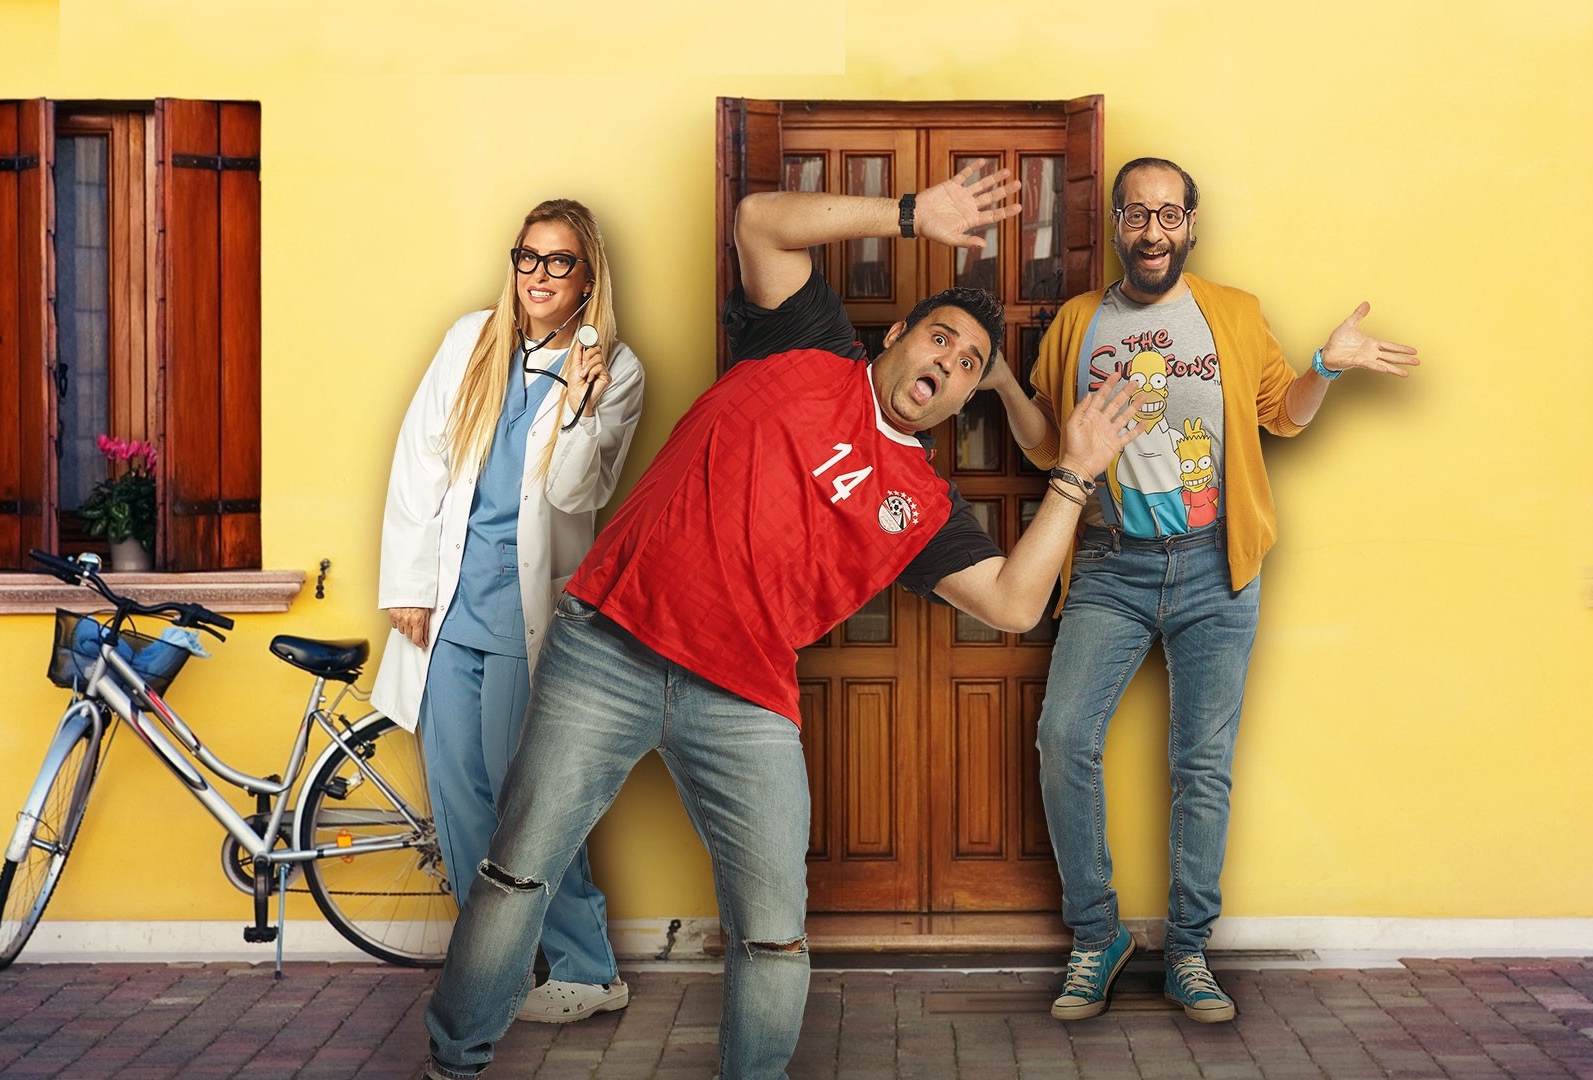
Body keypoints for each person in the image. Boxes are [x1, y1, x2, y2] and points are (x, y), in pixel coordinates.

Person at [421, 163, 1143, 1080]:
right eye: (940, 338)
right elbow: (760, 220)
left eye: (969, 366)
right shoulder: (808, 343)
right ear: (896, 337)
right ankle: (453, 1063)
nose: (950, 363)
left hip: (745, 701)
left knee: (774, 938)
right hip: (609, 643)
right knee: (518, 871)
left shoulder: (922, 506)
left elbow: (1014, 601)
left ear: (964, 401)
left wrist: (1074, 476)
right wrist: (912, 212)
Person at [987, 157, 1418, 1024]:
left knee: (1202, 766)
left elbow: (1283, 415)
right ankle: (1097, 936)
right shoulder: (1078, 322)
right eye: (1136, 214)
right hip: (1108, 565)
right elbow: (1044, 445)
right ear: (1116, 225)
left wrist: (1325, 367)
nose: (1153, 230)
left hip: (1216, 570)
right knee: (1063, 739)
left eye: (1169, 214)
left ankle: (1188, 950)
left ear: (1191, 226)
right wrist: (1001, 381)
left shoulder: (1234, 313)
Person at [374, 198, 644, 1024]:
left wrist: (584, 407)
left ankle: (588, 970)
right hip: (451, 606)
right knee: (457, 796)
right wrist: (408, 586)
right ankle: (489, 964)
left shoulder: (616, 369)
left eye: (560, 262)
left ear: (587, 277)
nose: (539, 275)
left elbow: (575, 493)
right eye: (528, 257)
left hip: (528, 614)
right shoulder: (473, 340)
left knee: (528, 801)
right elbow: (419, 462)